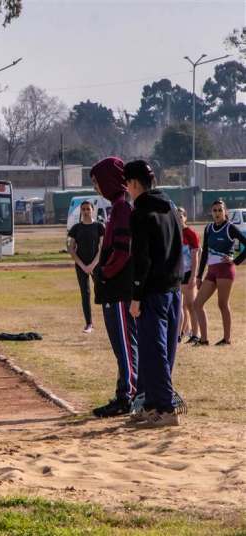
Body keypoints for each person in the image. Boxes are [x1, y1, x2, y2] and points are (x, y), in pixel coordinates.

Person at [126, 160, 183, 427]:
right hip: (173, 288)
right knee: (165, 349)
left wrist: (136, 296)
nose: (127, 190)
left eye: (127, 184)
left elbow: (142, 259)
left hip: (153, 292)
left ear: (135, 184)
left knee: (153, 350)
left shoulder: (140, 213)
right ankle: (152, 406)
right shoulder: (170, 207)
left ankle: (165, 408)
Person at [90, 157, 138, 418]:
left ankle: (127, 395)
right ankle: (126, 391)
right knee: (124, 345)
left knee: (124, 345)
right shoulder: (118, 205)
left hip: (119, 288)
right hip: (116, 286)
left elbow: (123, 249)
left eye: (98, 182)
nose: (97, 188)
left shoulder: (122, 206)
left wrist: (105, 273)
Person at [192, 199, 246, 346]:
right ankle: (203, 340)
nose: (217, 213)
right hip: (211, 271)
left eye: (220, 210)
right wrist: (198, 275)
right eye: (214, 210)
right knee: (197, 304)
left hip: (225, 271)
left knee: (222, 304)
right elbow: (203, 255)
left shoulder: (230, 228)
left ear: (225, 212)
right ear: (211, 212)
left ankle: (227, 339)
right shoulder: (208, 228)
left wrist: (235, 260)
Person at [67, 201, 104, 333]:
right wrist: (83, 265)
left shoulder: (99, 226)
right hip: (81, 265)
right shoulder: (76, 228)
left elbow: (102, 247)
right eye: (83, 209)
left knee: (102, 291)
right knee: (85, 293)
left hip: (96, 264)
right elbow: (71, 248)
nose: (86, 211)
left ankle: (109, 320)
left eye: (88, 209)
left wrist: (93, 265)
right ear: (81, 211)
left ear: (92, 210)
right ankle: (89, 324)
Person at [177, 207, 201, 344]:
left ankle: (195, 334)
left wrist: (193, 276)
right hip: (177, 274)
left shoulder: (191, 233)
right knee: (179, 305)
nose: (179, 219)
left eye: (181, 216)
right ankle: (180, 332)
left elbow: (195, 257)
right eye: (176, 216)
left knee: (191, 305)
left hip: (188, 273)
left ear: (185, 217)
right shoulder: (174, 232)